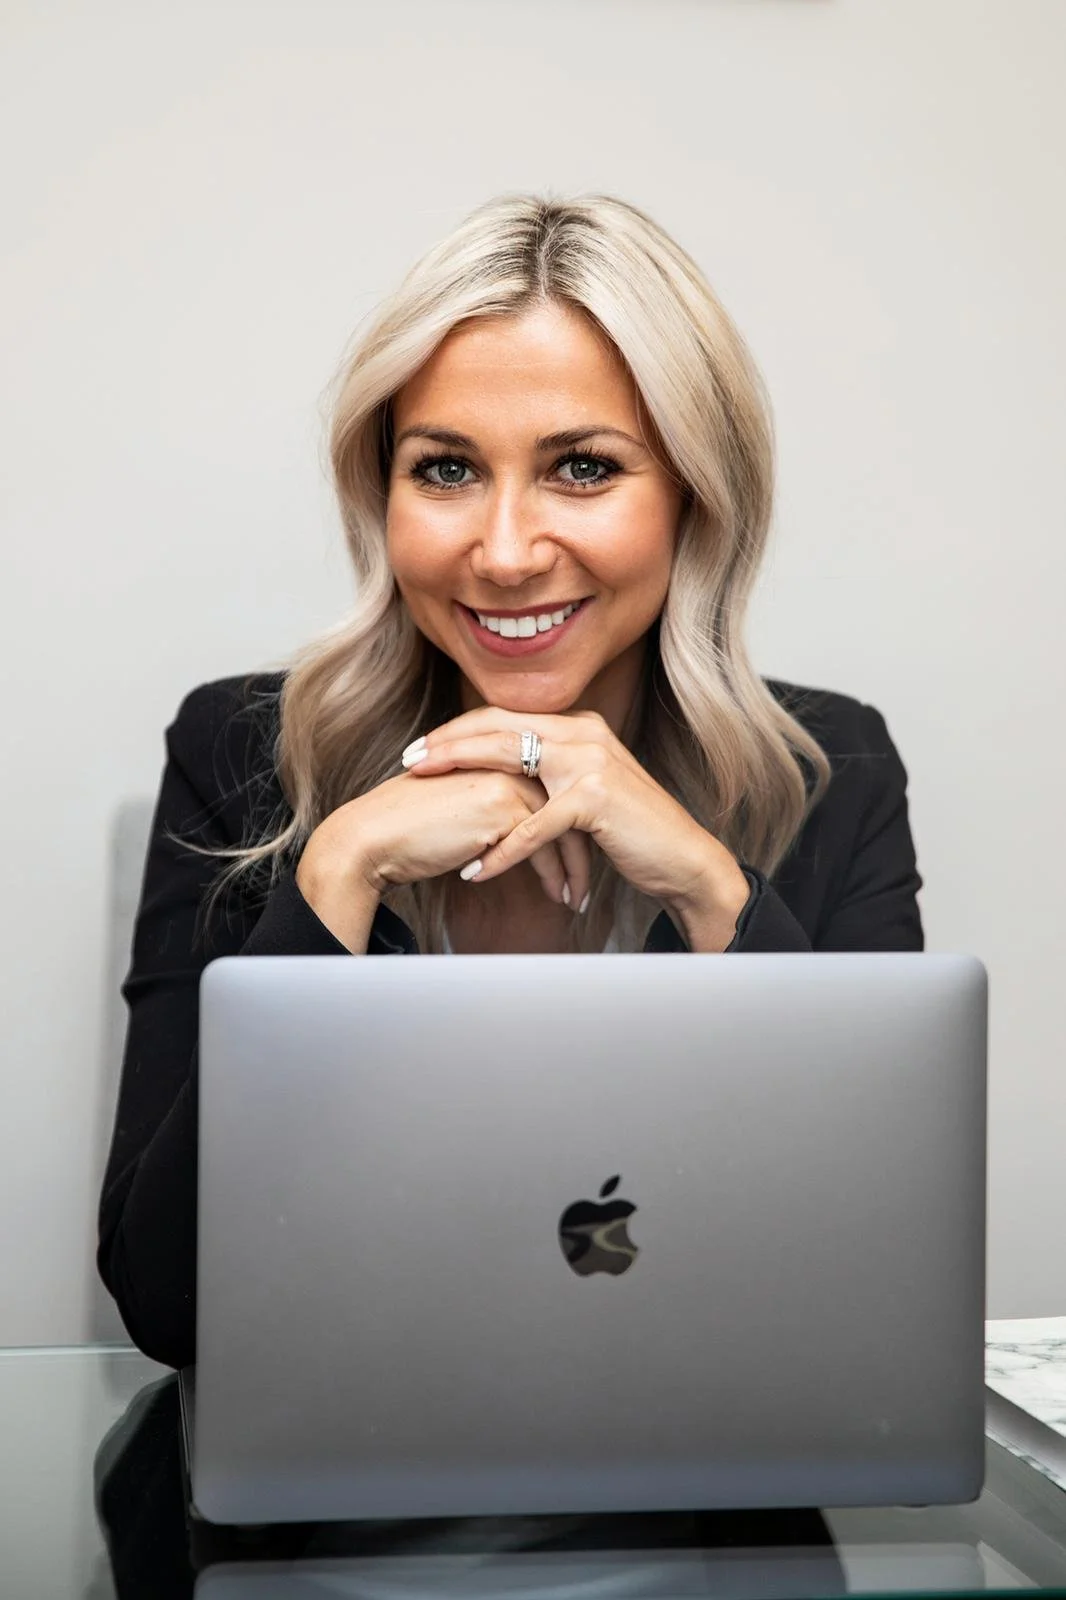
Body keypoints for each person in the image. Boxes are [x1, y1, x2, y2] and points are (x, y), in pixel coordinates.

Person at [98, 194, 923, 1370]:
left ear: (697, 494)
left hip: (708, 1509)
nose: (501, 550)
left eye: (581, 467)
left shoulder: (829, 771)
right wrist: (336, 873)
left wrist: (711, 891)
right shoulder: (244, 753)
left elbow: (870, 1288)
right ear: (381, 496)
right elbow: (167, 1302)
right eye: (444, 470)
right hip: (323, 1514)